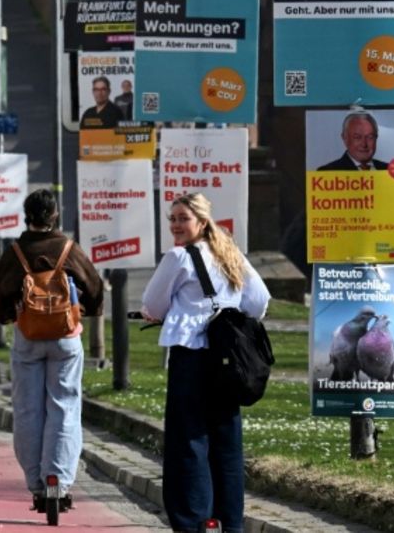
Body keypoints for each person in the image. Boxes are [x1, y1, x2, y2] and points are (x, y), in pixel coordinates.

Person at [140, 193, 270, 533]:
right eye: (172, 218)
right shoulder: (230, 253)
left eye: (182, 218)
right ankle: (230, 521)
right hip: (227, 360)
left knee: (189, 439)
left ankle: (194, 520)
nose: (176, 225)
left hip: (192, 355)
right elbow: (258, 301)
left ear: (200, 221)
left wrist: (158, 314)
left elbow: (153, 304)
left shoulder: (178, 258)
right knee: (226, 441)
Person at [0, 188, 104, 515]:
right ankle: (59, 480)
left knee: (27, 409)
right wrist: (88, 309)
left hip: (28, 335)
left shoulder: (16, 252)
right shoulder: (68, 249)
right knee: (64, 406)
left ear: (27, 215)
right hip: (66, 336)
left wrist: (10, 315)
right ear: (55, 216)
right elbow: (94, 287)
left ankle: (37, 484)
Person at [317, 112, 388, 171]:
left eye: (370, 137)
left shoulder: (388, 170)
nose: (364, 144)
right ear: (345, 138)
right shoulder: (327, 172)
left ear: (376, 138)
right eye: (357, 137)